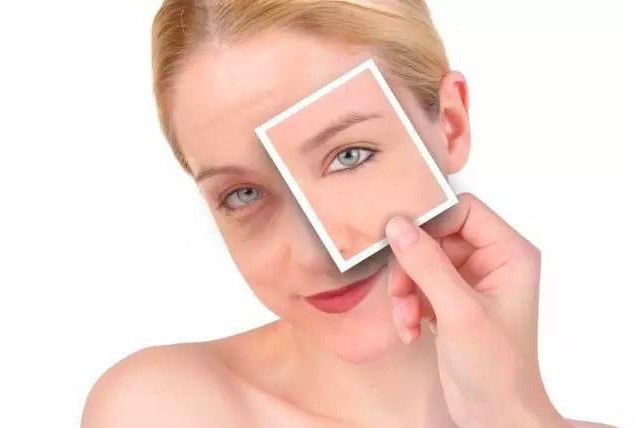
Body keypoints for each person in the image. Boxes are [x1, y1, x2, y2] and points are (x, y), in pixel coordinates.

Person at [81, 1, 615, 427]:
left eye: (349, 156)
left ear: (450, 125)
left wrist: (514, 416)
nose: (315, 253)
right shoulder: (163, 409)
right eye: (243, 194)